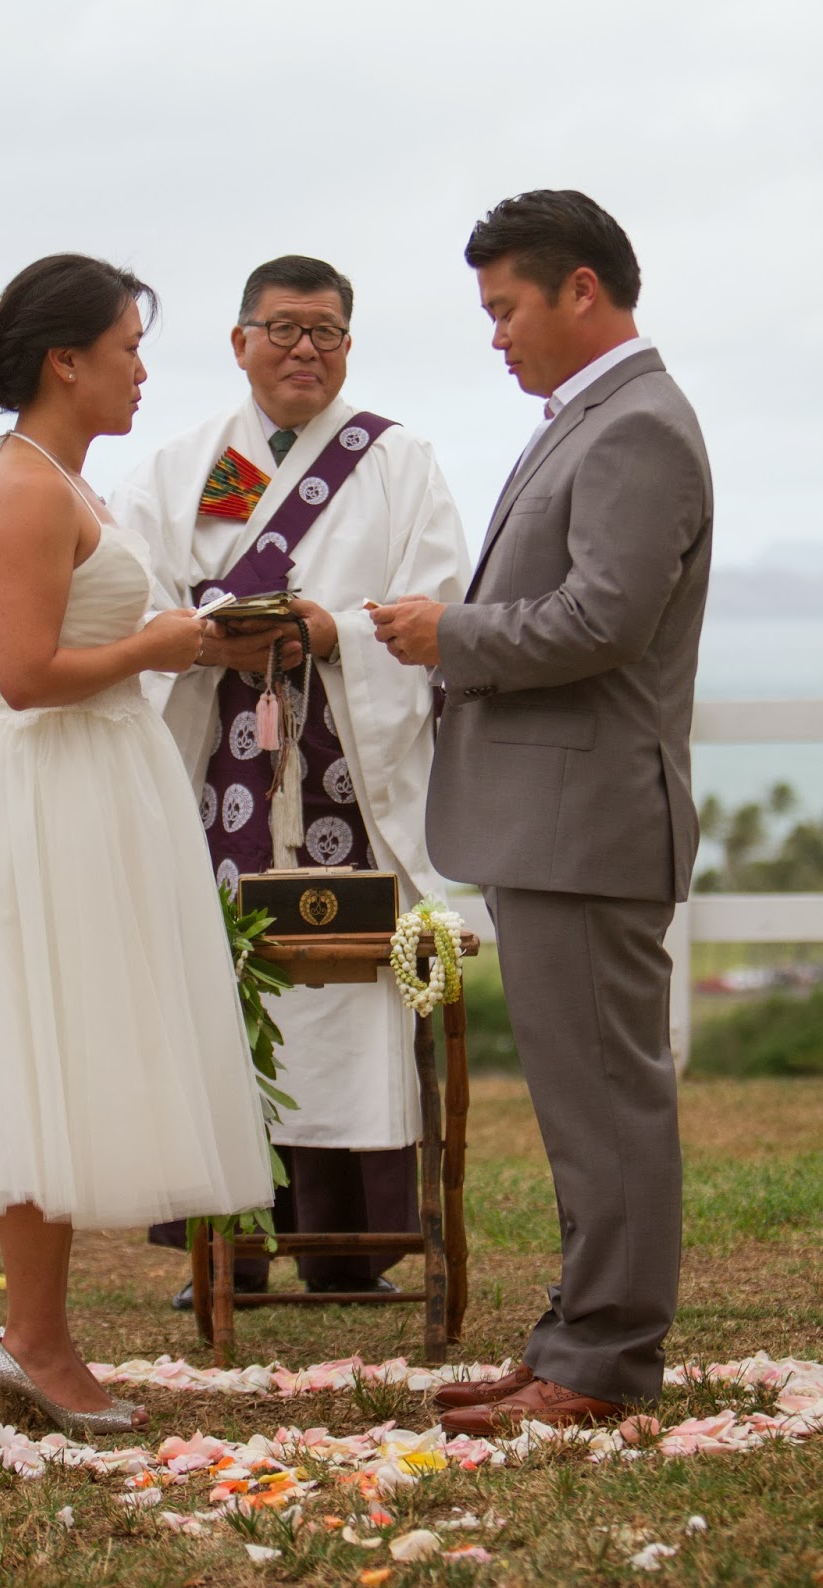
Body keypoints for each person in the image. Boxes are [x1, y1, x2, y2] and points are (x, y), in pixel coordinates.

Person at [374, 191, 713, 1432]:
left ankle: (603, 1359)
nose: (496, 334)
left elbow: (599, 621)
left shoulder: (638, 427)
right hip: (559, 821)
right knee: (584, 1103)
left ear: (581, 289)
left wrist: (447, 634)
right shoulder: (595, 418)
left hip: (588, 823)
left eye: (505, 306)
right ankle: (576, 1336)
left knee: (608, 1099)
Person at [0, 254, 273, 1434]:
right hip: (53, 789)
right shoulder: (27, 487)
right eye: (128, 349)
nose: (141, 371)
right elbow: (27, 675)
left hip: (93, 778)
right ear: (64, 360)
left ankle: (38, 1333)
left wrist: (185, 639)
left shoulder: (64, 479)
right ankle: (34, 1339)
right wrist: (154, 648)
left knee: (77, 1047)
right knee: (51, 1048)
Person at [110, 255, 472, 1306]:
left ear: (348, 344)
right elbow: (130, 601)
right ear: (240, 342)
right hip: (215, 769)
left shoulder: (399, 461)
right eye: (282, 329)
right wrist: (199, 639)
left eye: (326, 331)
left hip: (346, 771)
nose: (304, 349)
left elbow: (436, 602)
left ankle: (347, 1249)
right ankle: (228, 1249)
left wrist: (333, 631)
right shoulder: (179, 468)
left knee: (346, 998)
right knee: (221, 992)